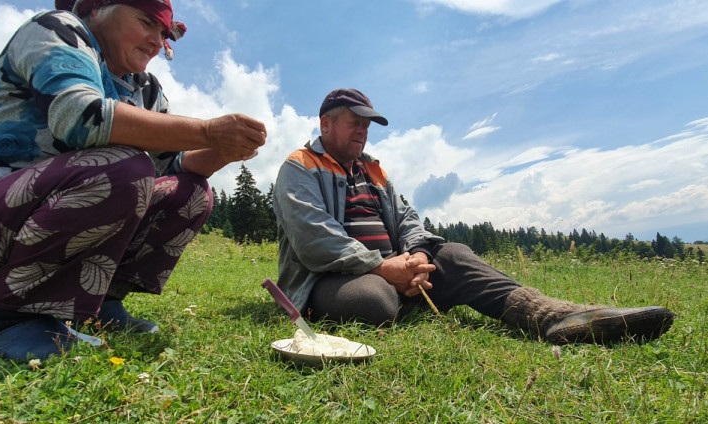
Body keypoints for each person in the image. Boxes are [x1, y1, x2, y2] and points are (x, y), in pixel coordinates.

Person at [0, 0, 266, 360]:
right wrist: (209, 131)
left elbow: (175, 166)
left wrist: (225, 150)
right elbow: (82, 116)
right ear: (98, 9)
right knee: (123, 166)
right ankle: (8, 320)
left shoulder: (145, 88)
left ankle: (98, 302)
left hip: (29, 223)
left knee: (189, 191)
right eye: (147, 23)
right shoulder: (57, 30)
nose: (156, 40)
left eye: (164, 33)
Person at [272, 88, 674, 345]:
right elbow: (314, 238)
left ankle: (553, 316)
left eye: (366, 125)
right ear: (325, 123)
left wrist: (414, 255)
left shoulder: (374, 169)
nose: (362, 131)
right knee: (375, 303)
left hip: (395, 268)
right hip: (329, 278)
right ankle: (411, 292)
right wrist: (382, 268)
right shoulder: (300, 166)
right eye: (353, 123)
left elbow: (408, 216)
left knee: (457, 254)